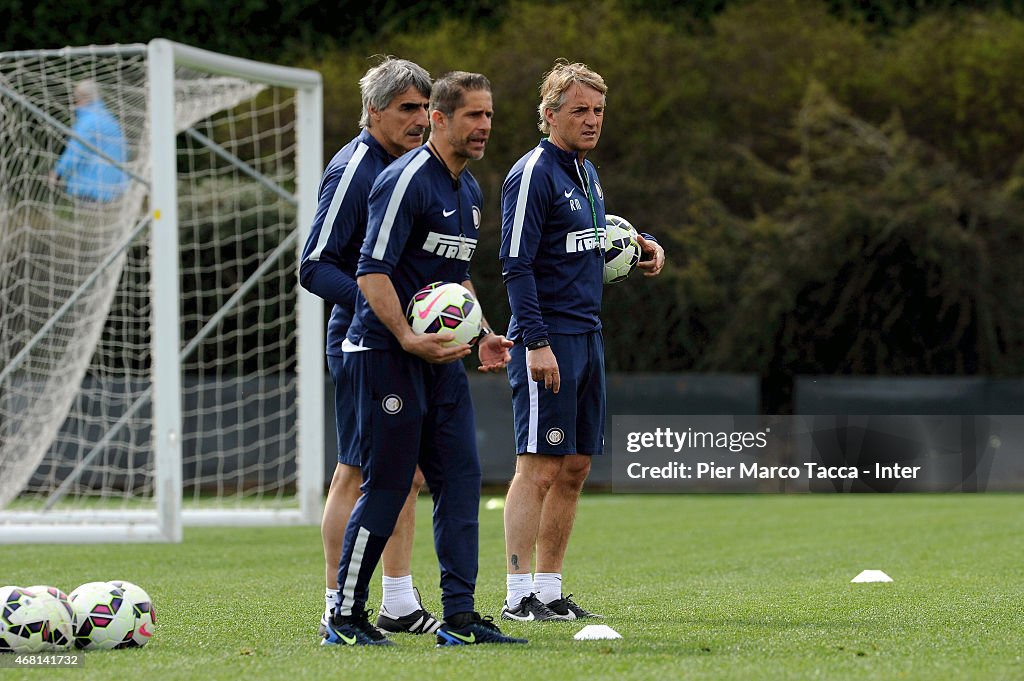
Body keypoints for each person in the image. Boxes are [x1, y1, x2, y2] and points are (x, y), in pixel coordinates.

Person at [323, 71, 525, 647]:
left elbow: (454, 279)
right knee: (386, 485)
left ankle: (459, 617)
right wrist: (408, 338)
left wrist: (484, 331)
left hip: (441, 360)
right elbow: (370, 270)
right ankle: (345, 614)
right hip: (384, 354)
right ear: (439, 119)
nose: (484, 126)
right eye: (472, 116)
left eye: (488, 115)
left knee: (460, 480)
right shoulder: (403, 180)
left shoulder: (471, 190)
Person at [498, 60, 666, 622]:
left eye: (598, 111)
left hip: (589, 335)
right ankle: (518, 595)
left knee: (574, 468)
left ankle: (548, 589)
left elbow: (590, 236)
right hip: (549, 338)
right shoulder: (533, 173)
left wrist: (640, 242)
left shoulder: (587, 176)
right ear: (549, 115)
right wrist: (536, 342)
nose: (592, 120)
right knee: (538, 467)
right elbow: (516, 264)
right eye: (580, 111)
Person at [299, 58, 441, 637]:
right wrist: (373, 308)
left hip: (402, 340)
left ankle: (399, 602)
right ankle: (338, 603)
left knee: (403, 473)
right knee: (356, 473)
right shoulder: (356, 167)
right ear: (373, 111)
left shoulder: (415, 167)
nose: (420, 119)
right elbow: (314, 265)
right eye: (407, 108)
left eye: (425, 109)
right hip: (360, 341)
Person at [50, 79, 128, 203]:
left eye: (76, 99)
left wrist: (57, 172)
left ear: (83, 99)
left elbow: (75, 152)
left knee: (87, 221)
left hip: (91, 189)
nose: (75, 104)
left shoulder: (88, 122)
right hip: (115, 189)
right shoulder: (110, 119)